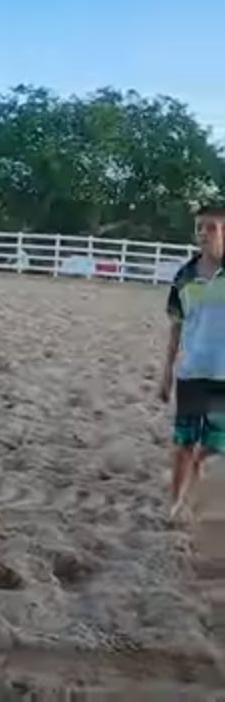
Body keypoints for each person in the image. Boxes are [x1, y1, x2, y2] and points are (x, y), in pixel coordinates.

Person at [162, 204, 225, 523]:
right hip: (191, 374)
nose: (202, 233)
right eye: (199, 227)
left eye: (210, 227)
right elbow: (175, 328)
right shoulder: (184, 277)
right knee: (183, 442)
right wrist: (166, 376)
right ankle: (176, 503)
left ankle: (199, 464)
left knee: (215, 444)